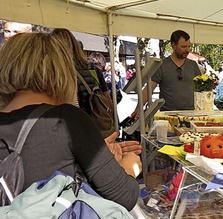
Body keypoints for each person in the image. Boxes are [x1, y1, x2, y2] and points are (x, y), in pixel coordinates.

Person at [0, 33, 140, 210]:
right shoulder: (66, 119)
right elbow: (125, 196)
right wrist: (129, 167)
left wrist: (93, 153)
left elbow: (40, 161)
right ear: (62, 70)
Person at [50, 28, 115, 137]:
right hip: (95, 124)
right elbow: (106, 97)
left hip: (71, 128)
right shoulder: (92, 68)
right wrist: (112, 118)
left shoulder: (56, 71)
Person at [134, 30, 200, 112]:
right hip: (167, 114)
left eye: (189, 46)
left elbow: (201, 90)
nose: (187, 50)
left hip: (191, 113)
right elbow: (149, 89)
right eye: (183, 47)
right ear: (173, 46)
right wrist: (138, 109)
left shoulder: (193, 65)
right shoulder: (161, 65)